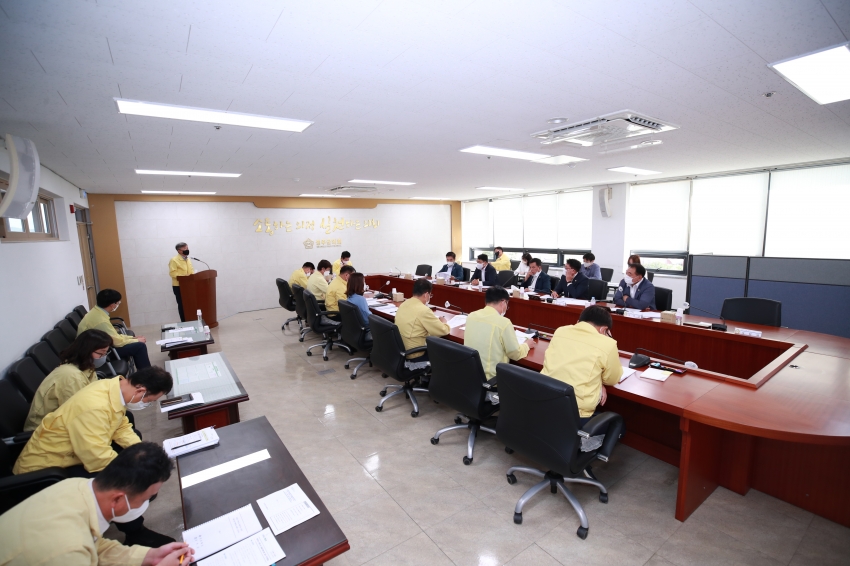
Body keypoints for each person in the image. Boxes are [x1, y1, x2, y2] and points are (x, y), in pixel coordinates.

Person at [13, 366, 175, 547]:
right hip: (47, 468)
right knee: (121, 483)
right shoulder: (94, 406)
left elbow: (120, 426)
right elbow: (97, 457)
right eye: (149, 400)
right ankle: (136, 533)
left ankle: (134, 516)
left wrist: (144, 452)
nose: (147, 404)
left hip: (72, 454)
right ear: (140, 390)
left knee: (135, 461)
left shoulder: (114, 389)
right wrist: (139, 474)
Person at [0, 442, 194, 566]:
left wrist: (149, 556)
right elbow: (80, 549)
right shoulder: (67, 551)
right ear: (118, 499)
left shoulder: (75, 486)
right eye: (144, 499)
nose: (144, 503)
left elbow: (95, 545)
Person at [541, 306, 623, 426]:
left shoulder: (560, 331)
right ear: (604, 330)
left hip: (544, 402)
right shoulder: (608, 343)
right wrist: (600, 381)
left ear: (579, 322)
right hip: (575, 414)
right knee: (619, 426)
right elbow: (612, 379)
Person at [24, 329, 113, 431]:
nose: (103, 357)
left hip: (67, 420)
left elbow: (93, 395)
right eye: (101, 353)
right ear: (86, 350)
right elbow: (78, 413)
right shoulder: (71, 377)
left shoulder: (86, 367)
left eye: (105, 353)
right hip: (45, 431)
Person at [464, 286, 535, 379]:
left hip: (470, 374)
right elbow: (515, 354)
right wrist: (527, 345)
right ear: (503, 302)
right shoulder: (504, 323)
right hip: (491, 379)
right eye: (507, 305)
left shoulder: (471, 316)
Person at [78, 289, 150, 369]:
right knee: (140, 347)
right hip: (96, 354)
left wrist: (132, 338)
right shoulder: (100, 321)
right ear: (112, 305)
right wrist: (136, 340)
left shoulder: (96, 312)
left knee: (137, 344)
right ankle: (147, 375)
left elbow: (113, 335)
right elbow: (116, 342)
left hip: (96, 347)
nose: (118, 304)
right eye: (118, 303)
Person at [395, 279, 450, 366]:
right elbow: (443, 330)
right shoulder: (424, 310)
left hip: (401, 350)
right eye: (430, 295)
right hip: (415, 354)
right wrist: (444, 322)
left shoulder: (404, 304)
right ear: (426, 294)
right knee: (446, 352)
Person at [168, 242, 195, 322]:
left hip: (189, 285)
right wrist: (184, 277)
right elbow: (172, 273)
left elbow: (191, 271)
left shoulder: (188, 259)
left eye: (187, 248)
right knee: (182, 305)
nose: (187, 250)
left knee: (190, 304)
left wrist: (193, 276)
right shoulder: (174, 260)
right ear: (179, 251)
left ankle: (191, 320)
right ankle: (184, 322)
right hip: (179, 286)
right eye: (185, 249)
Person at [345, 273, 372, 340]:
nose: (365, 284)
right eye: (364, 282)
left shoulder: (350, 296)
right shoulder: (360, 299)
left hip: (355, 330)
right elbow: (367, 319)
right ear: (359, 284)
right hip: (367, 330)